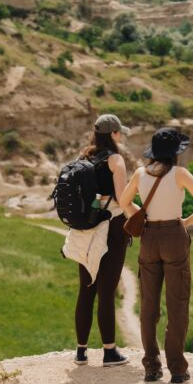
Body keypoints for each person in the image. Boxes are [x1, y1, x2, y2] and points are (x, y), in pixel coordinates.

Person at [120, 127, 193, 384]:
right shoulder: (180, 174)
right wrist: (186, 222)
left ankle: (151, 367)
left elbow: (123, 201)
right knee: (177, 305)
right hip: (174, 236)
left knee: (149, 306)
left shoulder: (140, 174)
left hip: (149, 238)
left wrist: (138, 215)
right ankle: (178, 369)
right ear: (175, 153)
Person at [72, 114, 130, 367]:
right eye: (120, 133)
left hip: (85, 227)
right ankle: (109, 351)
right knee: (107, 291)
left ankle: (81, 352)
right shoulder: (116, 160)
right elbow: (122, 198)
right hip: (112, 226)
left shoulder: (83, 157)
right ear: (114, 134)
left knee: (86, 289)